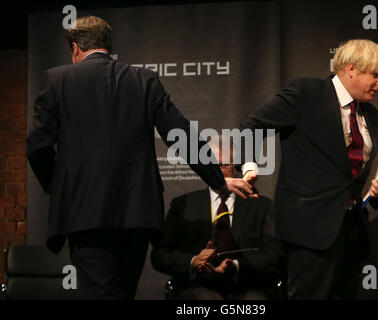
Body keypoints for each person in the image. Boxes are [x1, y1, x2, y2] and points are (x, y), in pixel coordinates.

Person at [26, 16, 254, 300]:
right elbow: (180, 134)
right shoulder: (143, 80)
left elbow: (37, 146)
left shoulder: (57, 80)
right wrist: (218, 180)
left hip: (85, 213)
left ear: (74, 48)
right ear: (108, 45)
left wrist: (59, 187)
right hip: (136, 213)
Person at [240, 39, 378, 299]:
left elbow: (349, 173)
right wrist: (250, 167)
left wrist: (373, 193)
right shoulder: (306, 93)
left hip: (352, 231)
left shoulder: (371, 114)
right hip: (309, 230)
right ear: (352, 69)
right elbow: (251, 128)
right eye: (376, 75)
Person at [151, 137, 284, 300]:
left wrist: (235, 266)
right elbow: (161, 254)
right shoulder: (183, 205)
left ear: (235, 167)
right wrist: (193, 261)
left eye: (224, 164)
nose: (218, 171)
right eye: (212, 165)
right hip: (198, 285)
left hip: (248, 284)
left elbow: (275, 255)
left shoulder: (261, 206)